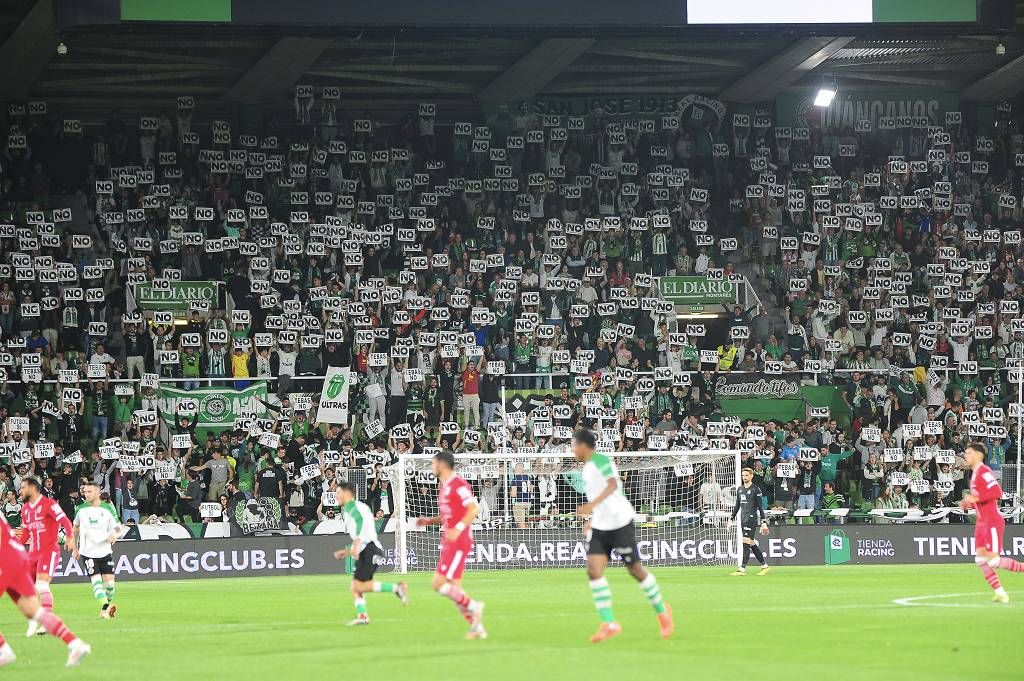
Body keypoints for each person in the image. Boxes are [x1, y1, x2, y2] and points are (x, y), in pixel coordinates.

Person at [572, 429, 673, 643]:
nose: (572, 450)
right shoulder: (588, 468)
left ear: (583, 446)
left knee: (635, 570)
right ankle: (609, 623)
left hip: (620, 522)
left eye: (574, 445)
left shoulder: (600, 460)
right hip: (601, 525)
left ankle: (662, 612)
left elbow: (612, 485)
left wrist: (590, 506)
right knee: (593, 570)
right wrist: (592, 518)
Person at [0, 516, 91, 668]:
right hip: (17, 555)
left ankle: (3, 649)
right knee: (32, 610)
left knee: (39, 593)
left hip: (6, 558)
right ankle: (75, 644)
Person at [414, 451, 486, 639]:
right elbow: (448, 516)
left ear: (442, 464)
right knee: (454, 589)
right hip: (450, 540)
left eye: (433, 463)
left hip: (459, 541)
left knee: (438, 583)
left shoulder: (459, 485)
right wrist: (429, 521)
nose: (431, 467)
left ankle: (474, 607)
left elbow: (473, 509)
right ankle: (476, 628)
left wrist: (459, 527)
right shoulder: (444, 487)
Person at [332, 482, 408, 626]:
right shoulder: (357, 507)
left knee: (357, 587)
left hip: (369, 549)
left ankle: (396, 588)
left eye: (338, 492)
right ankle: (362, 616)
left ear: (347, 493)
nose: (337, 496)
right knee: (357, 586)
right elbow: (366, 530)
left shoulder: (352, 507)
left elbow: (361, 525)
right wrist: (348, 551)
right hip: (367, 549)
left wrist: (356, 544)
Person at [960, 442, 1024, 603]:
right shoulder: (975, 474)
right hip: (982, 523)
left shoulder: (983, 471)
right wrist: (969, 503)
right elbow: (982, 499)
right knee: (981, 560)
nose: (965, 456)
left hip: (991, 522)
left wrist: (974, 498)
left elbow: (997, 492)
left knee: (993, 560)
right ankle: (1001, 593)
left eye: (968, 453)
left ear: (978, 455)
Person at [19, 476, 74, 637]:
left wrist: (70, 537)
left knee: (42, 585)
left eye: (23, 487)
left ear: (33, 488)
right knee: (26, 590)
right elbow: (27, 532)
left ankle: (47, 623)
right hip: (32, 555)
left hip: (48, 552)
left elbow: (64, 520)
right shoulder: (25, 509)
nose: (21, 491)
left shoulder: (49, 504)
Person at [72, 481, 123, 619]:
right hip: (88, 553)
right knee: (96, 582)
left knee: (110, 587)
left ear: (98, 493)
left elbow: (118, 528)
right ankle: (106, 608)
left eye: (89, 491)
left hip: (105, 552)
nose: (86, 494)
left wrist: (114, 535)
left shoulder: (107, 508)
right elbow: (75, 528)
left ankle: (104, 609)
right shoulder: (80, 509)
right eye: (85, 492)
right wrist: (75, 547)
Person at [729, 467, 770, 576]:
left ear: (751, 476)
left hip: (751, 519)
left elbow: (760, 507)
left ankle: (742, 569)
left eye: (747, 475)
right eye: (743, 475)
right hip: (743, 518)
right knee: (751, 543)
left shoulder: (756, 489)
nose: (744, 477)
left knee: (745, 542)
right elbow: (737, 505)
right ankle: (764, 566)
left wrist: (763, 521)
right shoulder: (740, 489)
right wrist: (731, 518)